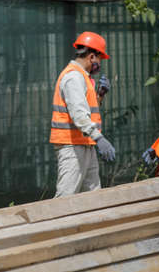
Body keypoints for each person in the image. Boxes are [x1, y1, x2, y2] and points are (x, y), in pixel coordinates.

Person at [50, 32, 116, 197]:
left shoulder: (81, 77)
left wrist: (99, 95)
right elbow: (79, 115)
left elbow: (86, 109)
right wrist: (99, 138)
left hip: (84, 144)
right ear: (92, 56)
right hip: (72, 146)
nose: (99, 64)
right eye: (99, 59)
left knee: (93, 196)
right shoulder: (74, 77)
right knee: (65, 197)